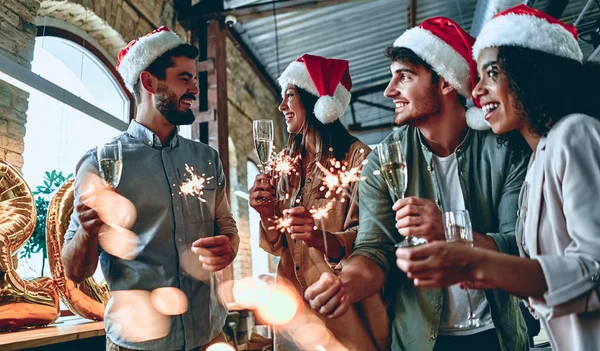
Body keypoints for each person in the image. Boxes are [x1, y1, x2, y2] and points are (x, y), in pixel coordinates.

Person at [304, 18, 529, 351]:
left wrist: (450, 234)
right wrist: (345, 285)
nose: (389, 90)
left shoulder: (504, 149)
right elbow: (373, 249)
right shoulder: (384, 160)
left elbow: (517, 247)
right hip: (421, 340)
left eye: (404, 77)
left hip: (498, 336)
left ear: (446, 82)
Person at [395, 5, 600, 351]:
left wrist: (478, 263)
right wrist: (476, 268)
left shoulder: (574, 134)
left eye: (492, 73)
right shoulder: (538, 163)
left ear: (530, 73)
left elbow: (593, 268)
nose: (476, 91)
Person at [61, 26, 239, 351]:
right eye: (185, 79)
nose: (195, 89)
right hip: (138, 344)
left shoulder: (207, 159)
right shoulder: (101, 163)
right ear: (149, 83)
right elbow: (74, 271)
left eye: (195, 80)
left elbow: (227, 228)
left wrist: (230, 247)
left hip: (210, 336)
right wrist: (87, 233)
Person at [248, 54, 388, 351]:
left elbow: (368, 241)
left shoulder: (357, 158)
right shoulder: (286, 164)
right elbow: (277, 243)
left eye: (289, 96)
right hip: (291, 307)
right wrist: (264, 213)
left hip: (339, 306)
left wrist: (317, 237)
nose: (281, 106)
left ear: (315, 101)